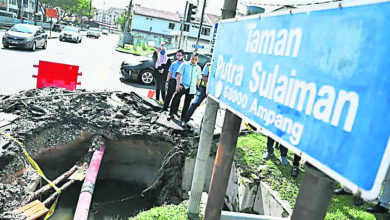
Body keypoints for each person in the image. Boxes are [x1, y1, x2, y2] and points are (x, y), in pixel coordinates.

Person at [169, 53, 202, 120]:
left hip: (192, 87)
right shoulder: (185, 64)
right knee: (176, 97)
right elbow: (179, 74)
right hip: (183, 84)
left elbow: (199, 78)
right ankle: (171, 113)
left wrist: (197, 87)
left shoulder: (198, 68)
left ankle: (183, 117)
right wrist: (178, 85)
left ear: (197, 60)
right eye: (193, 59)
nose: (194, 61)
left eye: (195, 60)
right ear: (190, 58)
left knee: (187, 103)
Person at [181, 62, 210, 126]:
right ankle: (185, 119)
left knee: (210, 108)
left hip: (212, 90)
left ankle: (207, 125)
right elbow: (204, 77)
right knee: (195, 103)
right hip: (203, 88)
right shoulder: (208, 65)